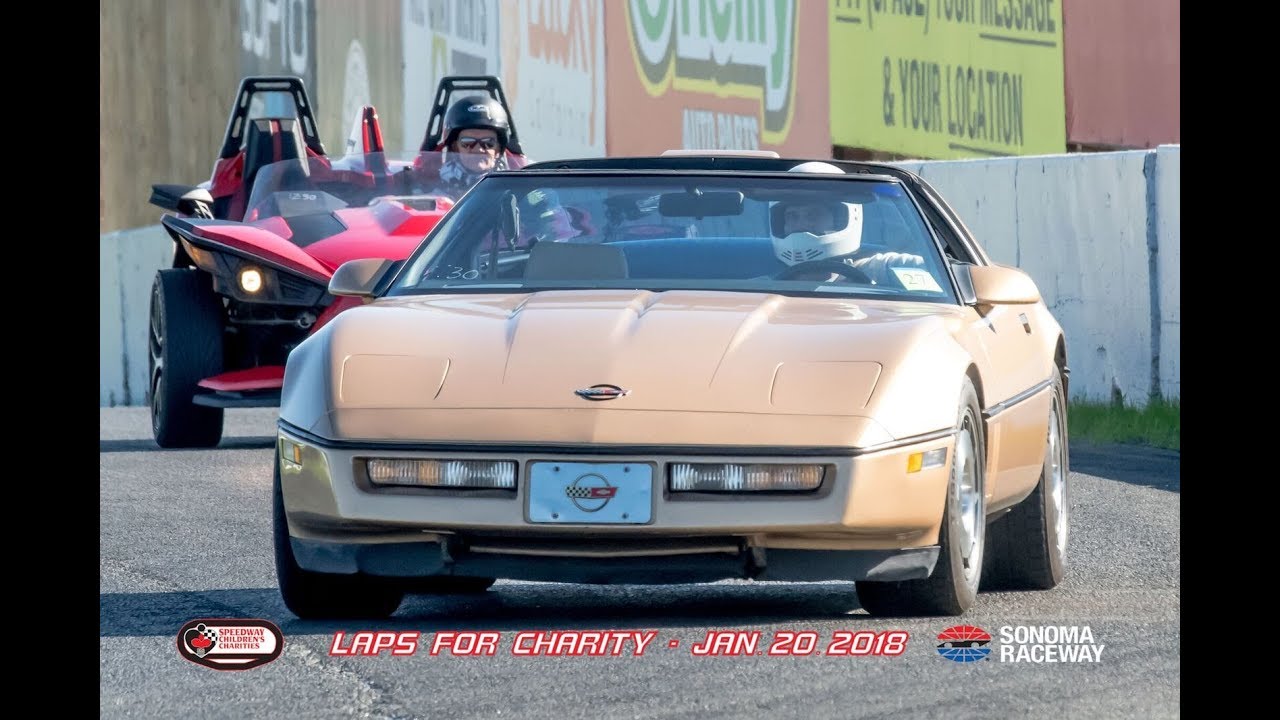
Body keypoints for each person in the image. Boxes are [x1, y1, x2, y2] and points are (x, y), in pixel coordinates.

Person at [769, 161, 927, 285]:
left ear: (841, 218)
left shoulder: (880, 270)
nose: (802, 224)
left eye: (814, 215)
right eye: (792, 216)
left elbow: (939, 272)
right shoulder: (760, 289)